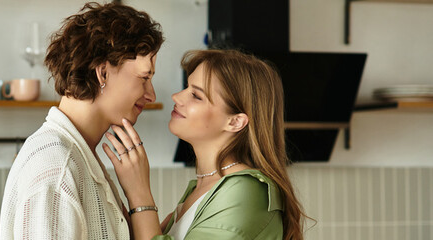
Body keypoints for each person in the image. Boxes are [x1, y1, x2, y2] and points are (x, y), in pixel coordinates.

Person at [103, 49, 310, 240]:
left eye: (196, 95)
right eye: (187, 87)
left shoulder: (246, 191)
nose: (176, 97)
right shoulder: (202, 188)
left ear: (235, 122)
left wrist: (139, 193)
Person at [0, 2, 163, 239]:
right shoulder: (58, 169)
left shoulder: (79, 156)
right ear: (103, 73)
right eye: (144, 77)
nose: (151, 95)